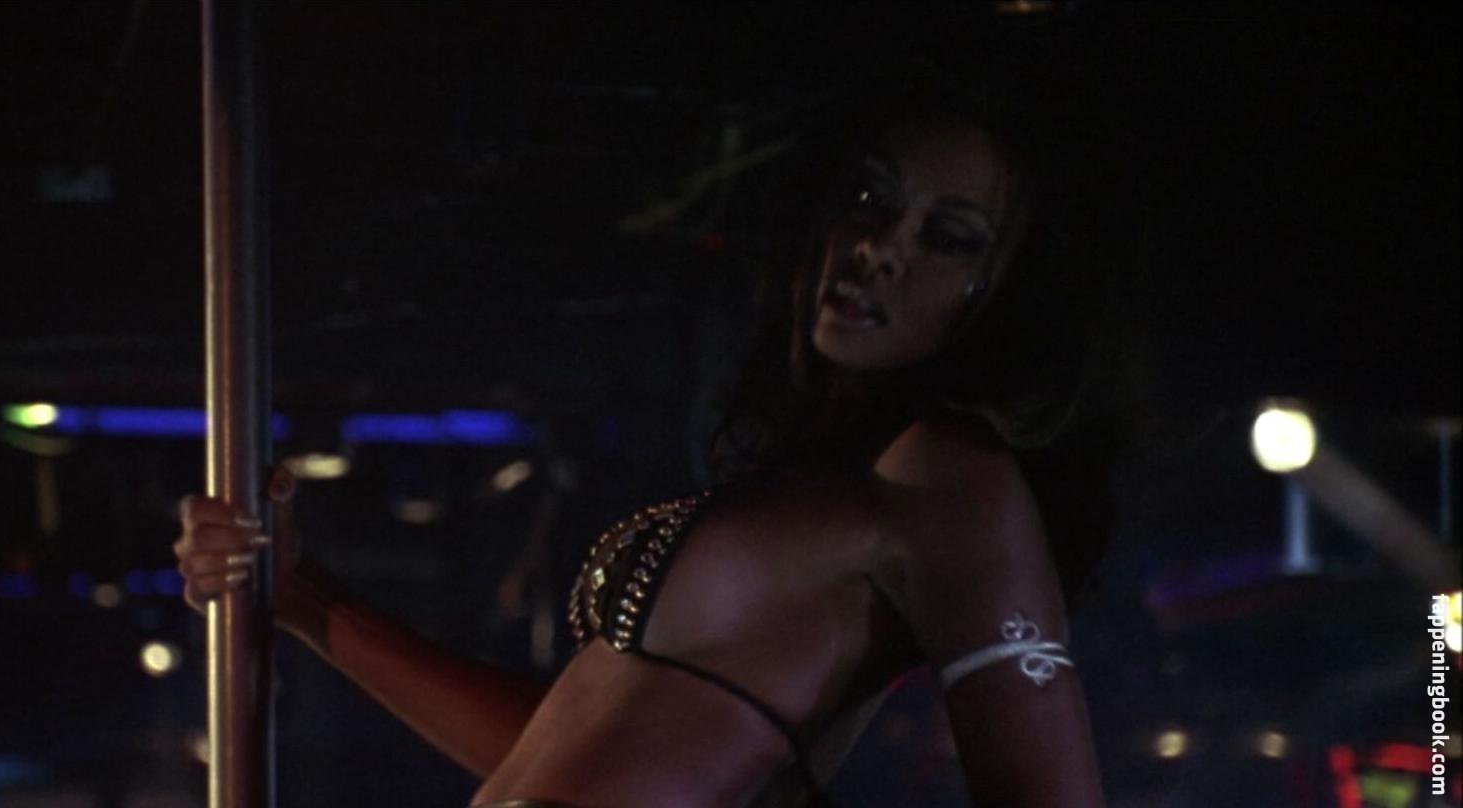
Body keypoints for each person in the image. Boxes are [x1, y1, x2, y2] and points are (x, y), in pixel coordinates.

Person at [176, 48, 1136, 808]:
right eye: (868, 198)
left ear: (1004, 292)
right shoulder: (831, 477)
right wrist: (300, 596)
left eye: (948, 237)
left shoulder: (951, 475)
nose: (879, 249)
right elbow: (564, 751)